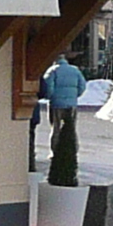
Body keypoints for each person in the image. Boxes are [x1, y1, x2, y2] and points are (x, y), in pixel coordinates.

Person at [39, 51, 86, 182]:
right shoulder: (75, 70)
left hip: (57, 104)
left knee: (56, 128)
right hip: (71, 104)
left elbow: (49, 88)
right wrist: (74, 96)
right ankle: (73, 149)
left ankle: (55, 151)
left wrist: (50, 97)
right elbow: (82, 85)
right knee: (71, 128)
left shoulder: (52, 71)